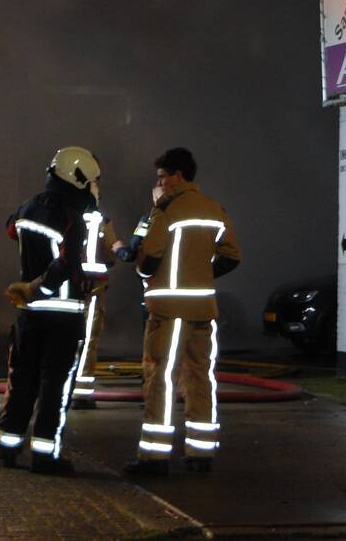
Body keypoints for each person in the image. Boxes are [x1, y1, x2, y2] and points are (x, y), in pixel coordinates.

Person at [125, 148, 240, 476]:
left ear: (177, 176)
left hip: (169, 309)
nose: (159, 183)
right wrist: (201, 274)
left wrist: (140, 266)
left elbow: (149, 259)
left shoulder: (165, 210)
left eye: (162, 177)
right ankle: (201, 452)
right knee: (200, 376)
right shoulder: (214, 209)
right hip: (203, 308)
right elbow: (232, 256)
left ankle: (154, 456)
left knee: (161, 377)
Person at [0, 146, 103, 475]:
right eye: (92, 181)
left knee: (21, 379)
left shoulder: (26, 207)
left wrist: (30, 290)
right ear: (79, 178)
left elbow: (11, 230)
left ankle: (7, 447)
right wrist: (40, 287)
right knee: (55, 386)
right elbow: (66, 263)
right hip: (62, 316)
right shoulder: (72, 217)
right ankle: (45, 455)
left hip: (28, 314)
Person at [71, 212, 118, 408]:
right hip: (95, 288)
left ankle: (62, 387)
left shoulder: (65, 214)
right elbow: (110, 255)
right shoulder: (103, 222)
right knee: (89, 338)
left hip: (68, 288)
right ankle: (81, 393)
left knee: (66, 337)